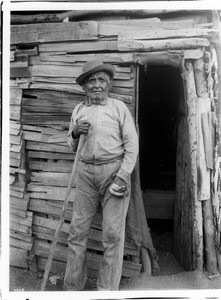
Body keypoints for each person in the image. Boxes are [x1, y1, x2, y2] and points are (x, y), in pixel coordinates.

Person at [63, 59, 139, 291]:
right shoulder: (79, 110)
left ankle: (106, 291)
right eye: (91, 81)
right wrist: (75, 133)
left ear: (108, 84)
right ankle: (73, 288)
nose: (97, 85)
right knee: (76, 233)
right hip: (85, 174)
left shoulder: (118, 108)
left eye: (101, 80)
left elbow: (132, 146)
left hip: (112, 173)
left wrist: (122, 175)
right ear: (84, 86)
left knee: (112, 236)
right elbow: (70, 145)